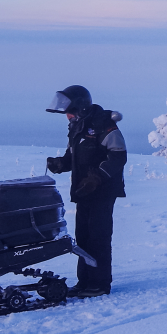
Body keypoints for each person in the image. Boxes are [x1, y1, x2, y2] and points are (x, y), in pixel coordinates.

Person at [45, 85, 126, 296]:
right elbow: (73, 156)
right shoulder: (77, 126)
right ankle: (85, 282)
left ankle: (99, 284)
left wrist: (97, 178)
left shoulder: (103, 125)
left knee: (98, 236)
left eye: (69, 111)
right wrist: (61, 164)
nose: (67, 116)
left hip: (102, 191)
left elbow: (118, 155)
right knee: (82, 237)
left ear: (81, 107)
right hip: (83, 191)